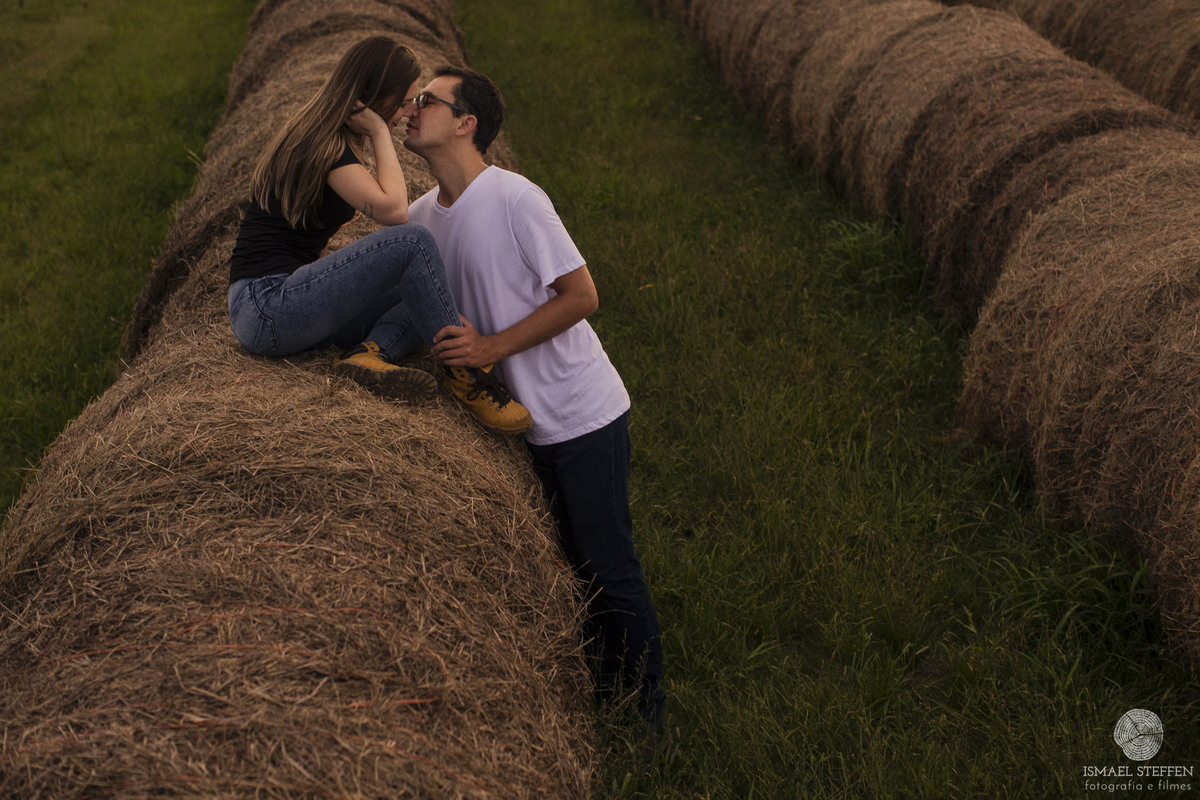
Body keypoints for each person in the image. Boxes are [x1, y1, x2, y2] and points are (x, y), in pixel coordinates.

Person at [404, 66, 666, 739]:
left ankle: (649, 711)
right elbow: (384, 227)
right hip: (524, 424)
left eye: (426, 100)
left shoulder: (515, 199)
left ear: (466, 123)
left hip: (581, 412)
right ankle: (606, 682)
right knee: (573, 562)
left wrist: (492, 346)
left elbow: (582, 296)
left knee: (607, 562)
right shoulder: (424, 217)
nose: (414, 108)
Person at [227, 35, 530, 434]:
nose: (409, 111)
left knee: (426, 286)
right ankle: (467, 376)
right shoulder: (324, 146)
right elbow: (395, 211)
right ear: (372, 97)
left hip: (278, 309)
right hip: (266, 305)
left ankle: (369, 355)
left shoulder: (324, 138)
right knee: (415, 242)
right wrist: (378, 132)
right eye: (405, 101)